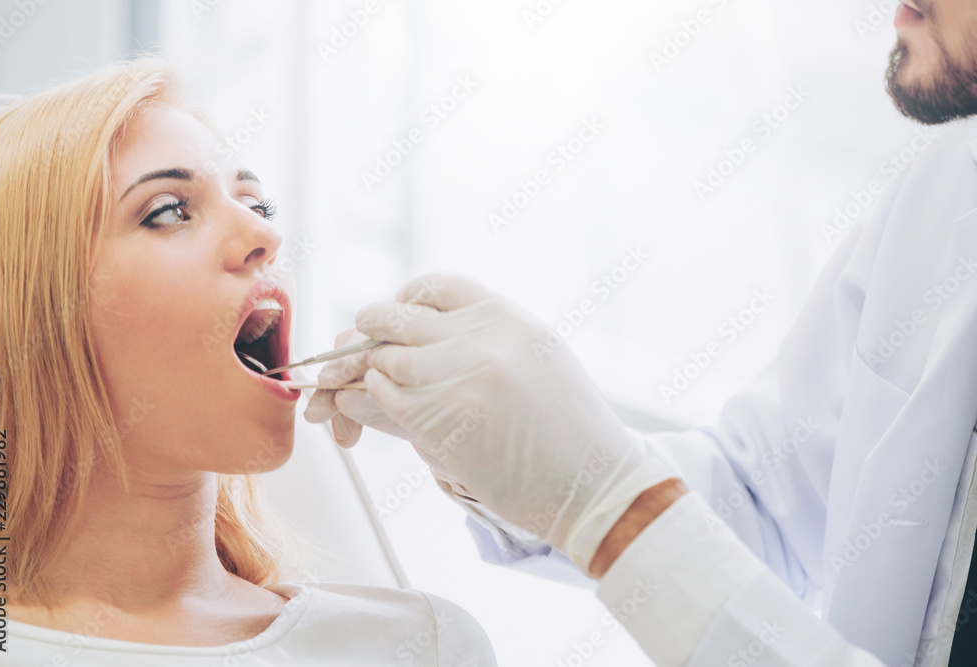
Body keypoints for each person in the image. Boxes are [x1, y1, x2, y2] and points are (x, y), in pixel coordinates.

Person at [305, 1, 977, 665]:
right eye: (190, 208)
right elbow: (766, 509)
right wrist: (520, 458)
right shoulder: (949, 188)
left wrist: (603, 502)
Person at [0, 58, 495, 665]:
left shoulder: (418, 645)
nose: (265, 235)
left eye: (257, 204)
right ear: (30, 320)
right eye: (169, 210)